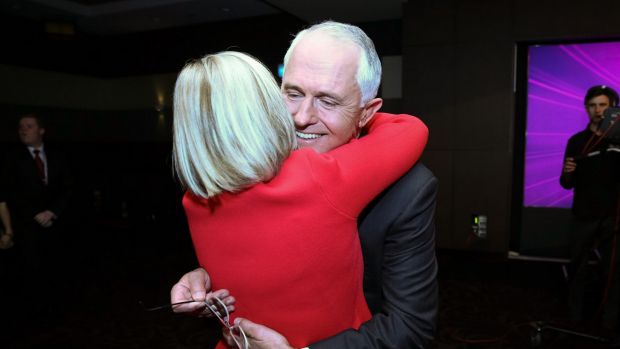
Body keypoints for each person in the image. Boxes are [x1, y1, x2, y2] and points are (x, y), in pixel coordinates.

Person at [171, 21, 439, 349]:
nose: (301, 117)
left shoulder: (410, 188)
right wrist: (210, 279)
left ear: (367, 112)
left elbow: (409, 328)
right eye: (293, 94)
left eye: (328, 101)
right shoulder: (247, 165)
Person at [560, 85, 620, 331]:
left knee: (613, 275)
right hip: (584, 216)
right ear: (586, 108)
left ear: (613, 108)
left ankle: (610, 324)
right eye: (592, 105)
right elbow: (566, 184)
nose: (597, 110)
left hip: (614, 220)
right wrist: (567, 172)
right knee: (577, 270)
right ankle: (574, 319)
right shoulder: (577, 141)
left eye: (602, 105)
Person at [2, 113, 73, 313]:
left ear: (41, 130)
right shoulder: (12, 158)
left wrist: (52, 212)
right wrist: (35, 214)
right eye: (20, 127)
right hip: (27, 226)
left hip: (56, 224)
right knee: (31, 270)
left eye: (29, 126)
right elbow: (10, 193)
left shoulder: (58, 154)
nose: (23, 129)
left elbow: (68, 188)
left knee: (56, 268)